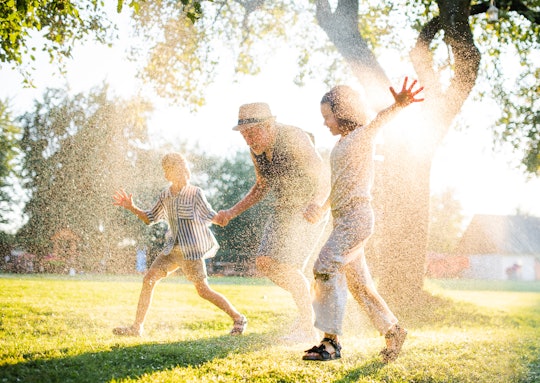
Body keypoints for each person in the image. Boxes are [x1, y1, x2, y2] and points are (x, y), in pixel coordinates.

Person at [301, 78, 424, 362]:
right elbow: (339, 185)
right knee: (359, 286)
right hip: (344, 220)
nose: (324, 123)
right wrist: (321, 208)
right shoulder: (341, 145)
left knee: (324, 266)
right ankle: (394, 330)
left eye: (327, 116)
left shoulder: (361, 136)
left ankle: (330, 342)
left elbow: (378, 121)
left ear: (343, 113)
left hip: (356, 219)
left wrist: (398, 105)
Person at [213, 102, 328, 341]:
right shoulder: (256, 150)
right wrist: (231, 212)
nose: (248, 140)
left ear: (269, 125)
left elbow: (323, 174)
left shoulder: (294, 137)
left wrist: (317, 203)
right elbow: (261, 186)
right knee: (265, 263)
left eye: (253, 132)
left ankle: (308, 325)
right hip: (284, 209)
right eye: (244, 134)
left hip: (310, 207)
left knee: (287, 267)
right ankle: (311, 305)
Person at [112, 152, 247, 337]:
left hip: (191, 251)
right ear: (168, 174)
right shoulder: (165, 195)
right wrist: (132, 207)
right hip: (171, 251)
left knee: (203, 291)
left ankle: (238, 318)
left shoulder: (195, 193)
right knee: (148, 279)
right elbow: (149, 218)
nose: (184, 171)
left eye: (185, 166)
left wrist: (223, 218)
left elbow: (211, 216)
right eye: (178, 168)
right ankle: (137, 328)